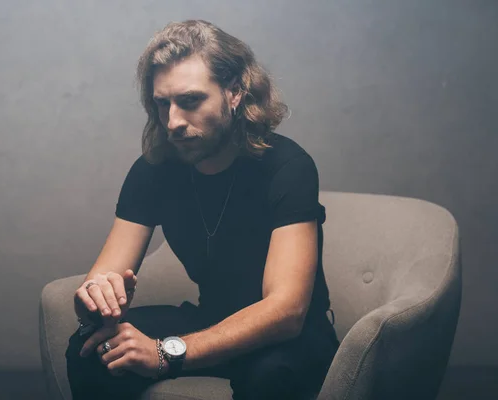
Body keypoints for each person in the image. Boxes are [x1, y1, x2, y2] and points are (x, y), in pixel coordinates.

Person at [65, 19, 339, 400]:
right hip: (210, 317)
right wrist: (94, 302)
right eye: (163, 104)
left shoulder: (287, 166)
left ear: (235, 93)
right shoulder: (154, 170)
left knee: (272, 377)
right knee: (95, 350)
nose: (173, 122)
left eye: (190, 101)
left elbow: (286, 311)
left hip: (290, 340)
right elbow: (102, 280)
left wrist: (165, 354)